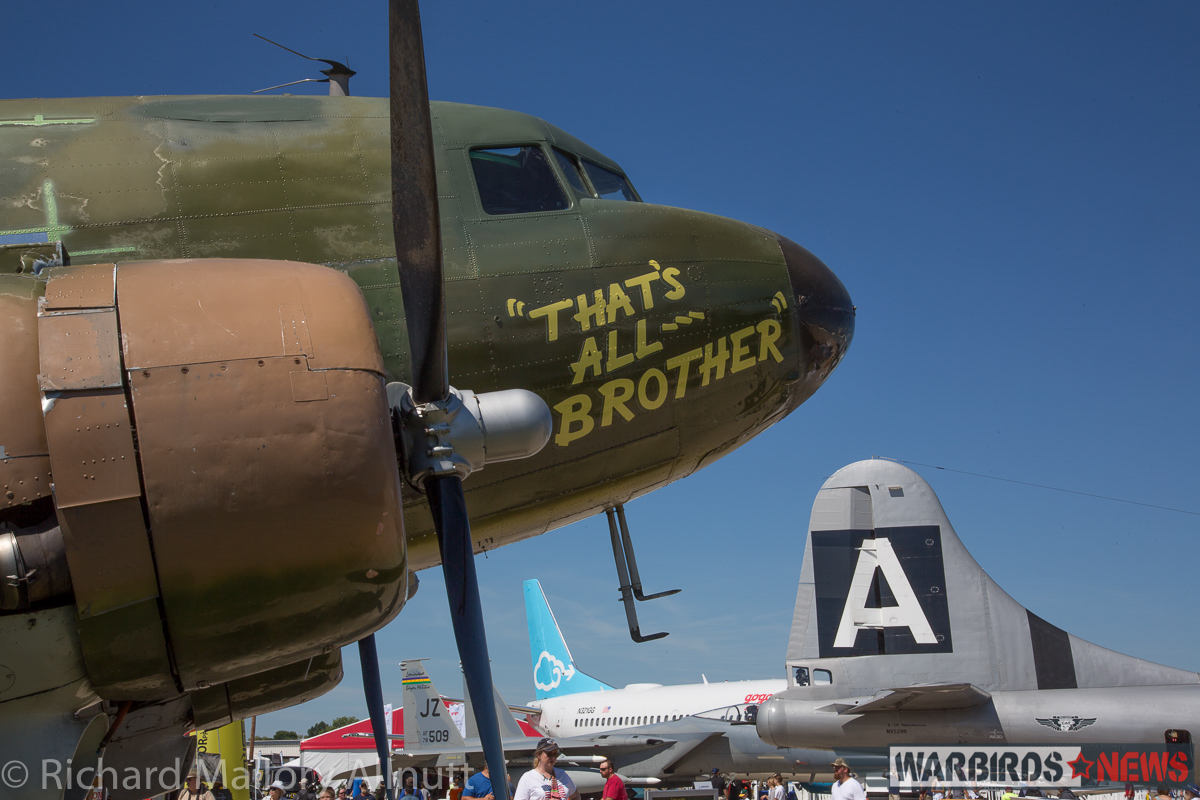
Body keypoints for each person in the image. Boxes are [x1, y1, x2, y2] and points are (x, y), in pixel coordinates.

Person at [514, 738, 579, 800]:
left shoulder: (562, 774)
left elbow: (576, 796)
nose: (553, 757)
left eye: (555, 754)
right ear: (538, 755)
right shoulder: (528, 777)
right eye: (549, 754)